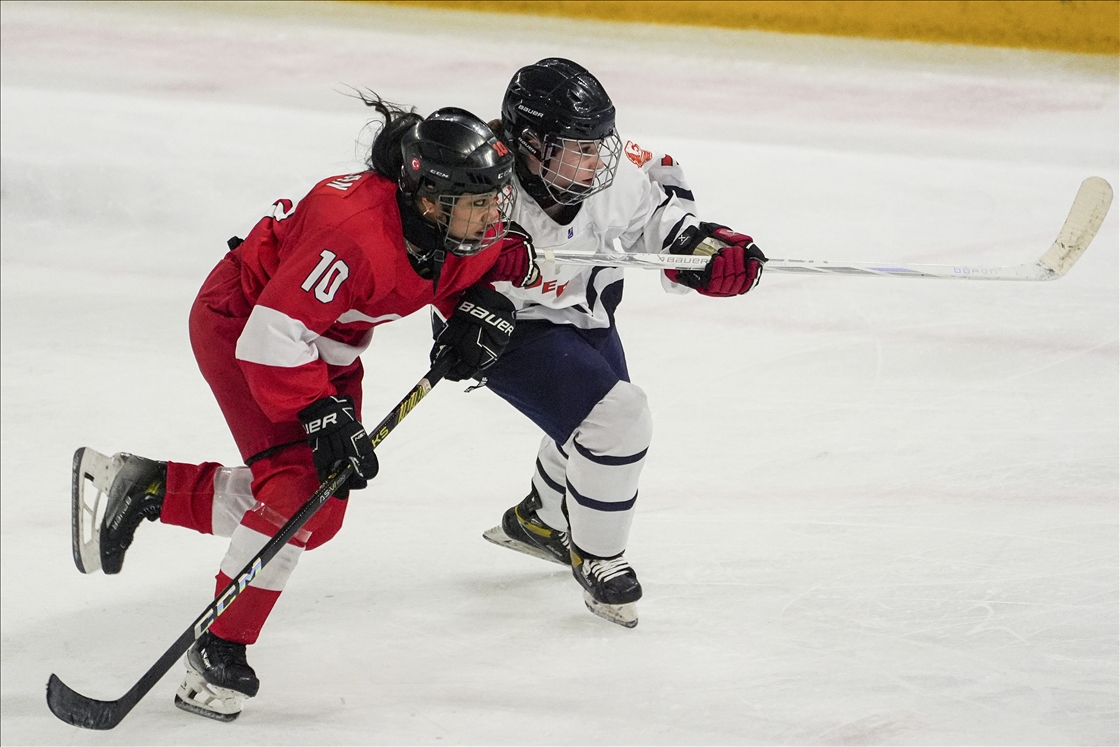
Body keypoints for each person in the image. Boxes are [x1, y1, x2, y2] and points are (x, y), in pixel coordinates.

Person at [69, 96, 539, 721]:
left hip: (326, 342)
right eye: (476, 204)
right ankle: (219, 651)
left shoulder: (457, 224)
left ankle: (147, 486)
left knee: (322, 511)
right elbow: (269, 340)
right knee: (296, 490)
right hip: (244, 324)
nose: (491, 218)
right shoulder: (353, 232)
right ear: (428, 199)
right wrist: (320, 412)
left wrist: (480, 311)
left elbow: (475, 273)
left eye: (495, 201)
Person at [479, 58, 767, 628]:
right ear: (531, 142)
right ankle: (599, 558)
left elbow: (661, 224)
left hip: (586, 313)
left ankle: (543, 521)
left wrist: (705, 255)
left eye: (598, 145)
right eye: (578, 148)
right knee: (618, 418)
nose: (596, 162)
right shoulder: (484, 177)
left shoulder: (615, 173)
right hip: (501, 325)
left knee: (593, 422)